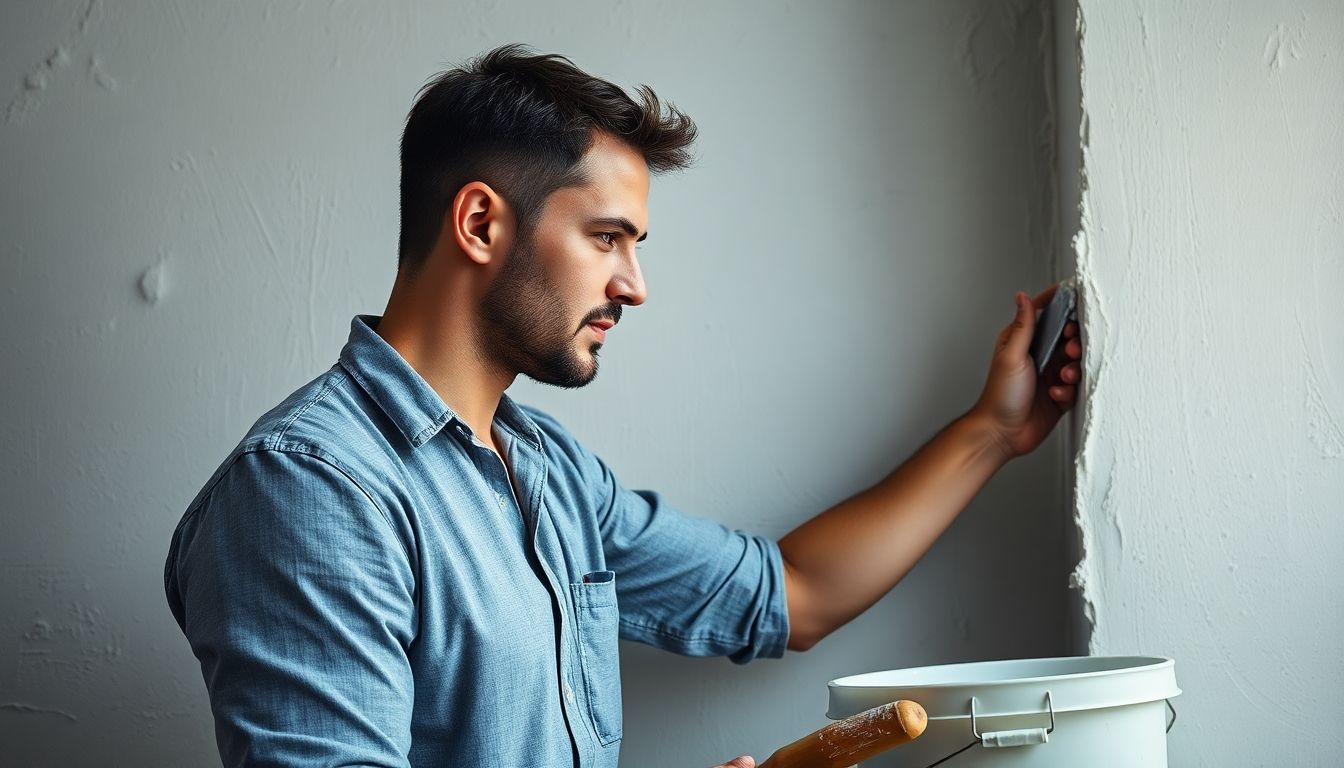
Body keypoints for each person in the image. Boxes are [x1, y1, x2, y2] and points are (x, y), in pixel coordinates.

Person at [164, 43, 1082, 768]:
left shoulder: (549, 473)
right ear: (481, 224)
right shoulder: (312, 489)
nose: (633, 286)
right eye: (607, 237)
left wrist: (991, 432)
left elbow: (792, 594)